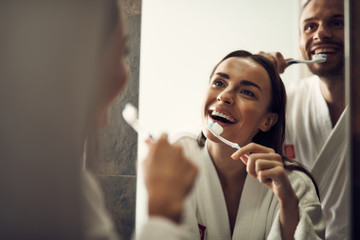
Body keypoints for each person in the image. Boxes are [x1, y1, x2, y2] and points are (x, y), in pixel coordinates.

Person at [0, 0, 197, 239]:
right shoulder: (41, 185)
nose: (124, 74)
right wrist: (164, 210)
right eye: (117, 53)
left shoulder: (61, 175)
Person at [171, 50, 325, 239]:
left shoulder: (295, 187)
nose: (224, 96)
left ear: (268, 121)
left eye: (246, 92)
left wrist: (288, 205)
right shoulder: (178, 157)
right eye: (219, 83)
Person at [259, 0, 348, 238]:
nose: (321, 33)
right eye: (310, 27)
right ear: (300, 42)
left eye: (337, 22)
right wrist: (258, 79)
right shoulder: (285, 103)